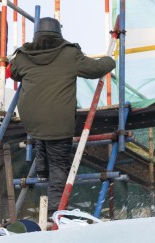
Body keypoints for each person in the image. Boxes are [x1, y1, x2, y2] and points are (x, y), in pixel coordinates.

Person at [8, 17, 115, 224]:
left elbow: (11, 72)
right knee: (59, 164)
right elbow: (95, 69)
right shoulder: (69, 54)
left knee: (41, 131)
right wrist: (110, 61)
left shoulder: (22, 56)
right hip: (58, 121)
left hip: (31, 119)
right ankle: (55, 211)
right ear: (59, 33)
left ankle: (41, 169)